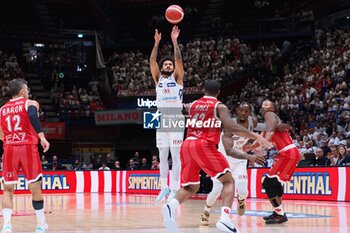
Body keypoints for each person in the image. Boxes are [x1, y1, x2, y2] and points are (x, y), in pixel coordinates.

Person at [161, 80, 272, 233]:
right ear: (219, 92)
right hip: (203, 144)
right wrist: (256, 136)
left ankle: (170, 206)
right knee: (228, 181)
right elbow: (231, 126)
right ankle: (225, 219)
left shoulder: (192, 105)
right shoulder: (220, 106)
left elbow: (179, 109)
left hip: (187, 145)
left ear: (203, 90)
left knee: (191, 186)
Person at [200, 102, 266, 225]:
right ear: (236, 110)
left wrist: (254, 145)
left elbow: (266, 128)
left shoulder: (253, 122)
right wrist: (250, 156)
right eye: (241, 110)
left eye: (246, 111)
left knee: (243, 189)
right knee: (216, 191)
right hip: (223, 160)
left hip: (240, 160)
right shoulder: (229, 126)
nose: (243, 113)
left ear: (250, 113)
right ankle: (206, 211)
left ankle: (241, 200)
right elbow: (229, 151)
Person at [0, 79, 50, 233]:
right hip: (27, 147)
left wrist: (11, 138)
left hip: (9, 148)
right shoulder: (30, 103)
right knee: (35, 187)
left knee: (8, 190)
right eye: (27, 88)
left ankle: (7, 225)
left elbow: (1, 134)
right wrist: (41, 137)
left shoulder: (2, 109)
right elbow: (32, 115)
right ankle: (41, 224)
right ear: (22, 91)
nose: (28, 91)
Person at [250, 100, 300, 224]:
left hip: (288, 153)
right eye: (262, 105)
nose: (263, 106)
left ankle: (280, 214)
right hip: (285, 154)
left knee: (267, 182)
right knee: (274, 182)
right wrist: (249, 148)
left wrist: (264, 145)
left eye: (266, 104)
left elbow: (269, 134)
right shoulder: (268, 123)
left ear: (273, 108)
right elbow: (260, 138)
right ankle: (278, 212)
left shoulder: (270, 115)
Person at [150, 25, 184, 202]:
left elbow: (178, 59)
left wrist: (174, 41)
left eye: (170, 64)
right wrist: (156, 44)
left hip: (176, 117)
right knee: (162, 154)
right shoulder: (158, 79)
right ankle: (164, 187)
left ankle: (176, 189)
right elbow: (152, 62)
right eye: (166, 64)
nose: (169, 65)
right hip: (162, 118)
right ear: (163, 67)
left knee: (176, 154)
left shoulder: (177, 78)